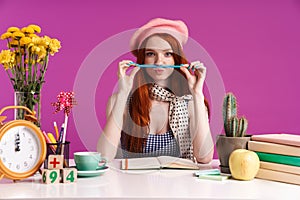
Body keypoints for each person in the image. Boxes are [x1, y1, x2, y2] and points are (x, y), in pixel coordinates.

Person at [97, 18, 214, 163]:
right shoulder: (119, 100)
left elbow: (204, 157)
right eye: (151, 54)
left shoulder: (191, 103)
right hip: (130, 184)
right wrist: (122, 94)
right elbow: (103, 156)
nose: (159, 62)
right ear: (142, 60)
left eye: (167, 54)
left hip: (179, 185)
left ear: (176, 60)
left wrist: (197, 94)